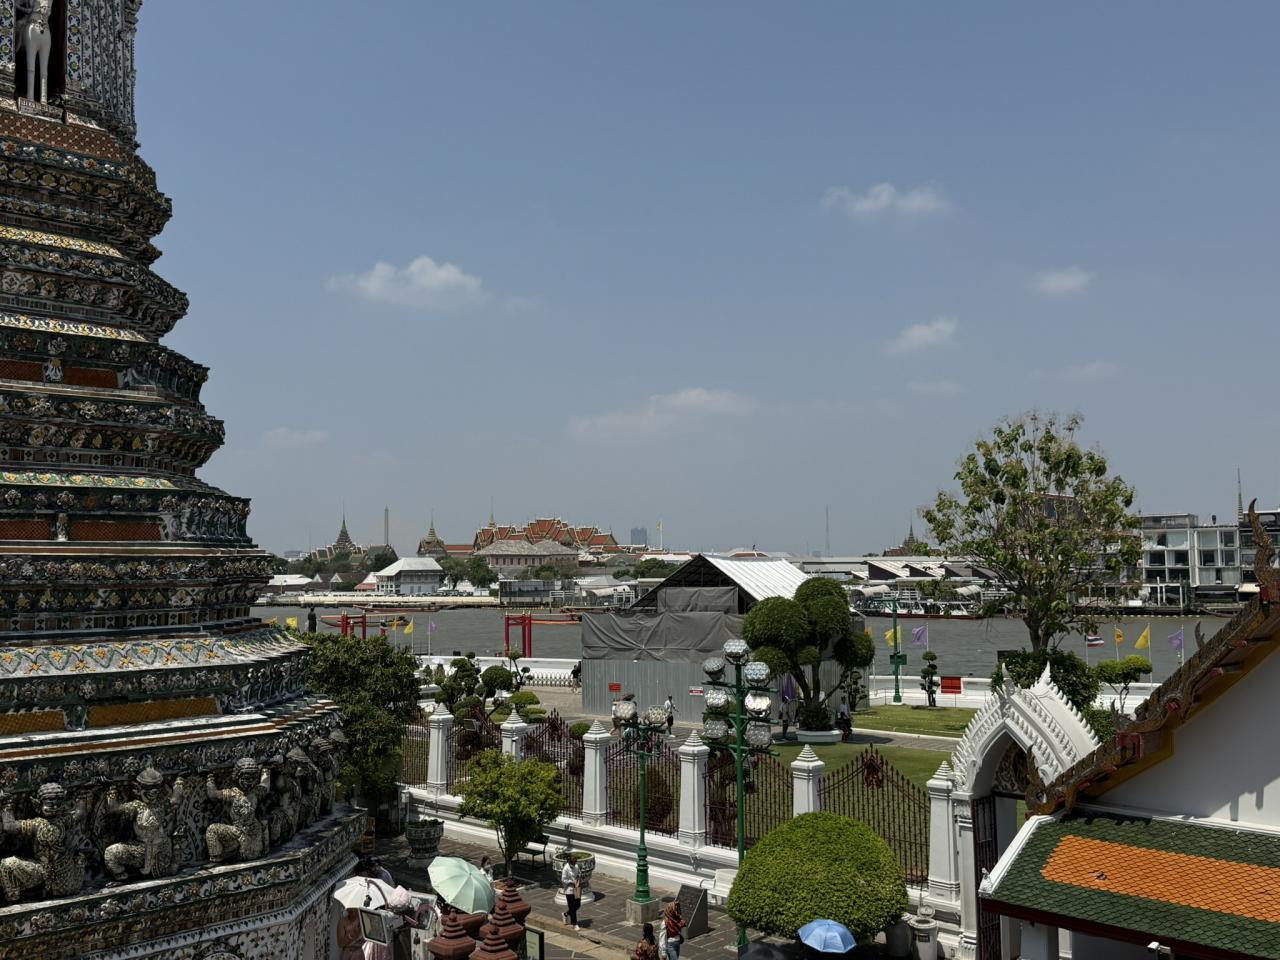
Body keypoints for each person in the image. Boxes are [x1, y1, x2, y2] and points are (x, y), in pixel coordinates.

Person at [560, 856, 582, 930]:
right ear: (569, 862)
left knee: (578, 904)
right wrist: (571, 882)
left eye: (575, 863)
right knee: (572, 906)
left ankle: (566, 914)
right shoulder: (565, 869)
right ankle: (574, 924)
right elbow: (563, 879)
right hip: (569, 889)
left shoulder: (576, 866)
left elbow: (579, 873)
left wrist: (578, 880)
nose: (574, 864)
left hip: (576, 888)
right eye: (572, 863)